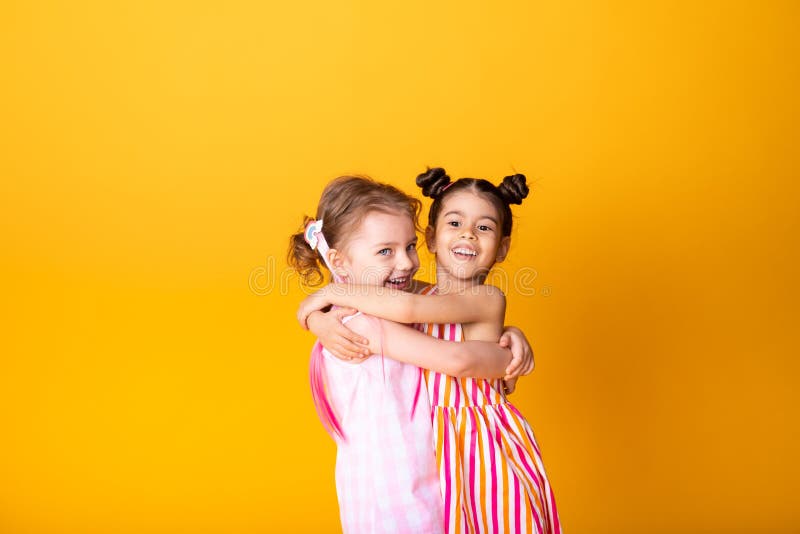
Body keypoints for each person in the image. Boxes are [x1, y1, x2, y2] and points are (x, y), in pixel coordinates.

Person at [298, 168, 562, 534]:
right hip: (426, 463)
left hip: (478, 449)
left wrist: (325, 298)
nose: (468, 234)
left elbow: (432, 332)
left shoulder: (475, 297)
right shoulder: (404, 301)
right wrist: (317, 316)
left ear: (501, 246)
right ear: (433, 238)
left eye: (484, 227)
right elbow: (392, 304)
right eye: (455, 223)